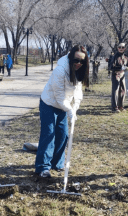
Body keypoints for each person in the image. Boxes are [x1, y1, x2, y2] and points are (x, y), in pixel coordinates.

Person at [35, 45, 89, 178]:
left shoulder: (80, 70)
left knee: (63, 134)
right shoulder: (60, 70)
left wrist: (75, 108)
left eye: (82, 61)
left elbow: (78, 92)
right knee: (49, 135)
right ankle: (43, 167)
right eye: (76, 60)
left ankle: (57, 163)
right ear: (71, 57)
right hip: (49, 104)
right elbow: (59, 97)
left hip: (62, 106)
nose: (78, 63)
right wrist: (69, 110)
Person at [110, 42, 128, 112]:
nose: (121, 49)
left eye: (122, 47)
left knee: (123, 90)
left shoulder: (125, 57)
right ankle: (114, 107)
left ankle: (120, 106)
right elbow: (111, 67)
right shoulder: (115, 56)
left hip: (123, 75)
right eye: (119, 47)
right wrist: (120, 68)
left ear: (124, 48)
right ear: (117, 48)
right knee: (115, 90)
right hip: (116, 74)